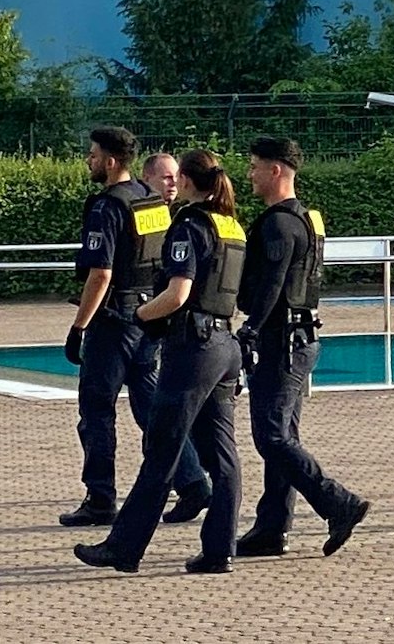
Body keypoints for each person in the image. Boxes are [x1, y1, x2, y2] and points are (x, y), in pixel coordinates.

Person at [74, 149, 245, 575]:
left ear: (186, 180)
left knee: (160, 450)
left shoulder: (190, 224)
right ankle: (219, 550)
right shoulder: (232, 225)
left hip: (194, 349)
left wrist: (139, 316)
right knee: (223, 457)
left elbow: (178, 293)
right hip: (225, 344)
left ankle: (124, 548)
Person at [60, 128, 211, 528]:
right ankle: (193, 481)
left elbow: (101, 273)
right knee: (152, 410)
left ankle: (100, 498)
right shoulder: (149, 202)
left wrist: (79, 326)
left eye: (93, 155)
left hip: (112, 324)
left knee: (96, 412)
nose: (89, 161)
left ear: (111, 162)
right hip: (146, 318)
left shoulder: (107, 207)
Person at [233, 136, 371, 558]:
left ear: (276, 170)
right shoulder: (307, 219)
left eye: (256, 166)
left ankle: (338, 502)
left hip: (281, 341)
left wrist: (250, 329)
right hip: (301, 336)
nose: (250, 174)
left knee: (271, 436)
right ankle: (273, 527)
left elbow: (273, 285)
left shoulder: (277, 223)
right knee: (283, 434)